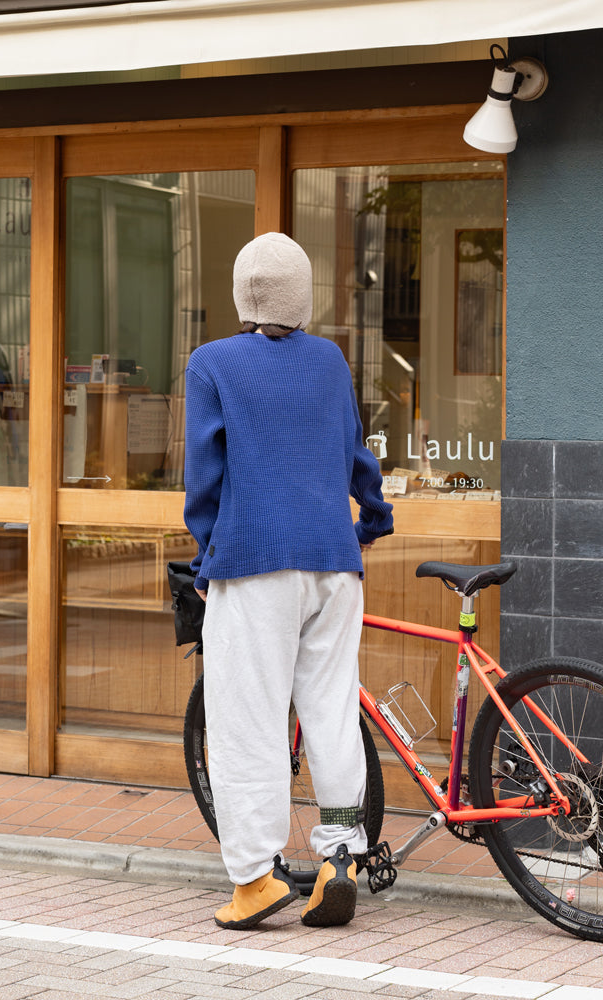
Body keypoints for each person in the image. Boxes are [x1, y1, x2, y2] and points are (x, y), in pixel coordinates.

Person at [183, 232, 394, 930]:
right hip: (332, 562)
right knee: (331, 713)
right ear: (304, 295)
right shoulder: (330, 361)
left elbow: (205, 478)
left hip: (253, 562)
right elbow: (354, 453)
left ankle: (255, 880)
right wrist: (369, 520)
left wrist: (207, 555)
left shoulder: (212, 364)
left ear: (243, 293)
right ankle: (339, 854)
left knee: (249, 723)